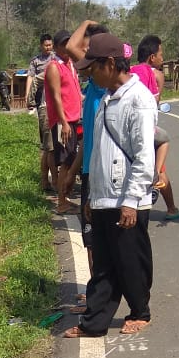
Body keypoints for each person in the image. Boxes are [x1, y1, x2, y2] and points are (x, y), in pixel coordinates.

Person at [63, 33, 157, 339]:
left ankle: (140, 311)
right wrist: (92, 196)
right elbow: (100, 150)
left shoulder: (138, 99)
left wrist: (131, 200)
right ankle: (95, 322)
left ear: (112, 64)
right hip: (105, 195)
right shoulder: (105, 97)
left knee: (130, 261)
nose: (90, 73)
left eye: (95, 67)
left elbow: (144, 155)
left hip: (126, 197)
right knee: (103, 265)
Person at [65, 20, 110, 309]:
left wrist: (87, 24)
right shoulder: (93, 83)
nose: (84, 52)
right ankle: (97, 289)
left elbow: (71, 46)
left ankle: (99, 294)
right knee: (91, 237)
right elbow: (89, 138)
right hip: (89, 169)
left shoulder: (99, 82)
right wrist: (73, 170)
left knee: (97, 237)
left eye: (91, 49)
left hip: (101, 171)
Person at [130, 35, 179, 220]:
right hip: (147, 128)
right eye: (160, 54)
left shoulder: (129, 71)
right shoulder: (157, 75)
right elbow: (155, 101)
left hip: (128, 129)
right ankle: (171, 208)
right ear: (152, 57)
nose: (162, 58)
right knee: (161, 161)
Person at [44, 30, 83, 214]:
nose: (67, 48)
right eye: (64, 44)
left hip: (74, 119)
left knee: (70, 159)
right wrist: (64, 122)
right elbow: (56, 96)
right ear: (57, 47)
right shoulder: (54, 67)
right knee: (65, 162)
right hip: (63, 121)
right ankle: (61, 202)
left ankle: (65, 198)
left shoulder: (70, 65)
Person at [25, 34, 56, 192]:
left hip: (55, 101)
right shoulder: (36, 61)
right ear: (41, 45)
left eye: (50, 45)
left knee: (51, 143)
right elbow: (31, 78)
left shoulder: (56, 59)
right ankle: (47, 180)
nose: (48, 48)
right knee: (47, 144)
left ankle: (54, 179)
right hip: (42, 101)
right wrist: (28, 96)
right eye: (46, 45)